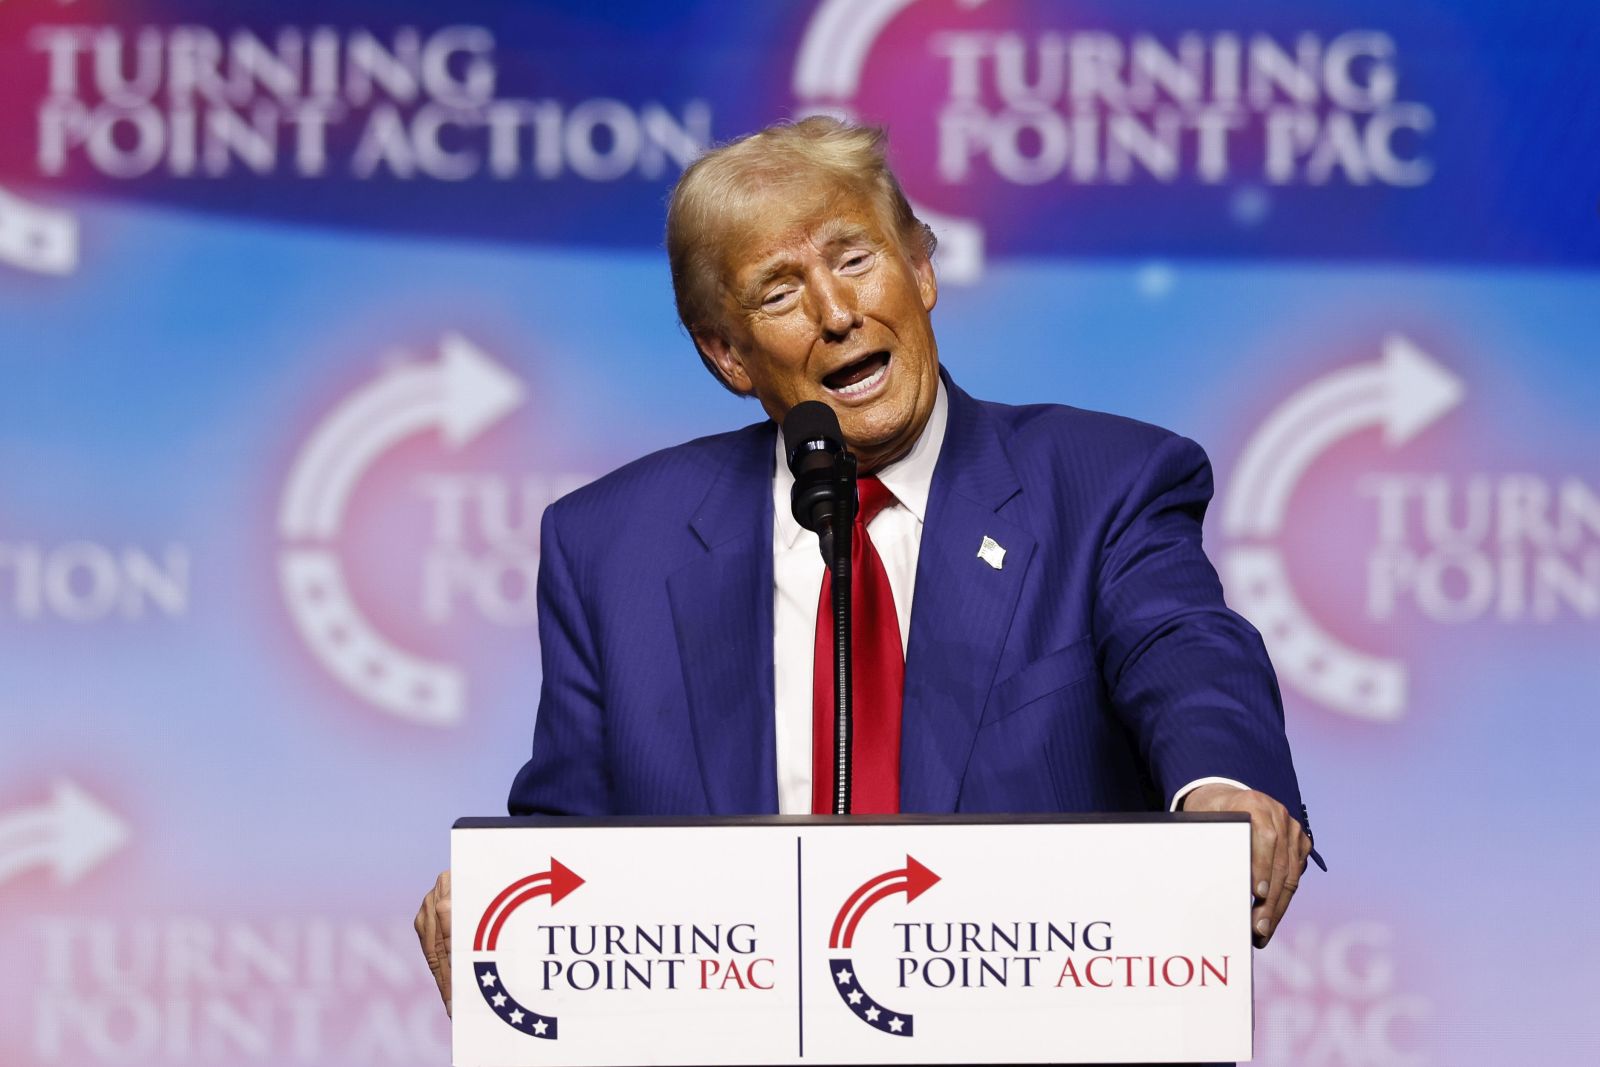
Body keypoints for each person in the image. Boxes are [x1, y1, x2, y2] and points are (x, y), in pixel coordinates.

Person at [415, 117, 1316, 1017]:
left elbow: (1188, 652)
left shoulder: (1105, 485)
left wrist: (1224, 781)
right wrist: (501, 915)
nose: (837, 313)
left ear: (920, 270)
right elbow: (571, 848)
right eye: (779, 292)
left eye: (855, 259)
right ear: (726, 353)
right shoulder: (611, 547)